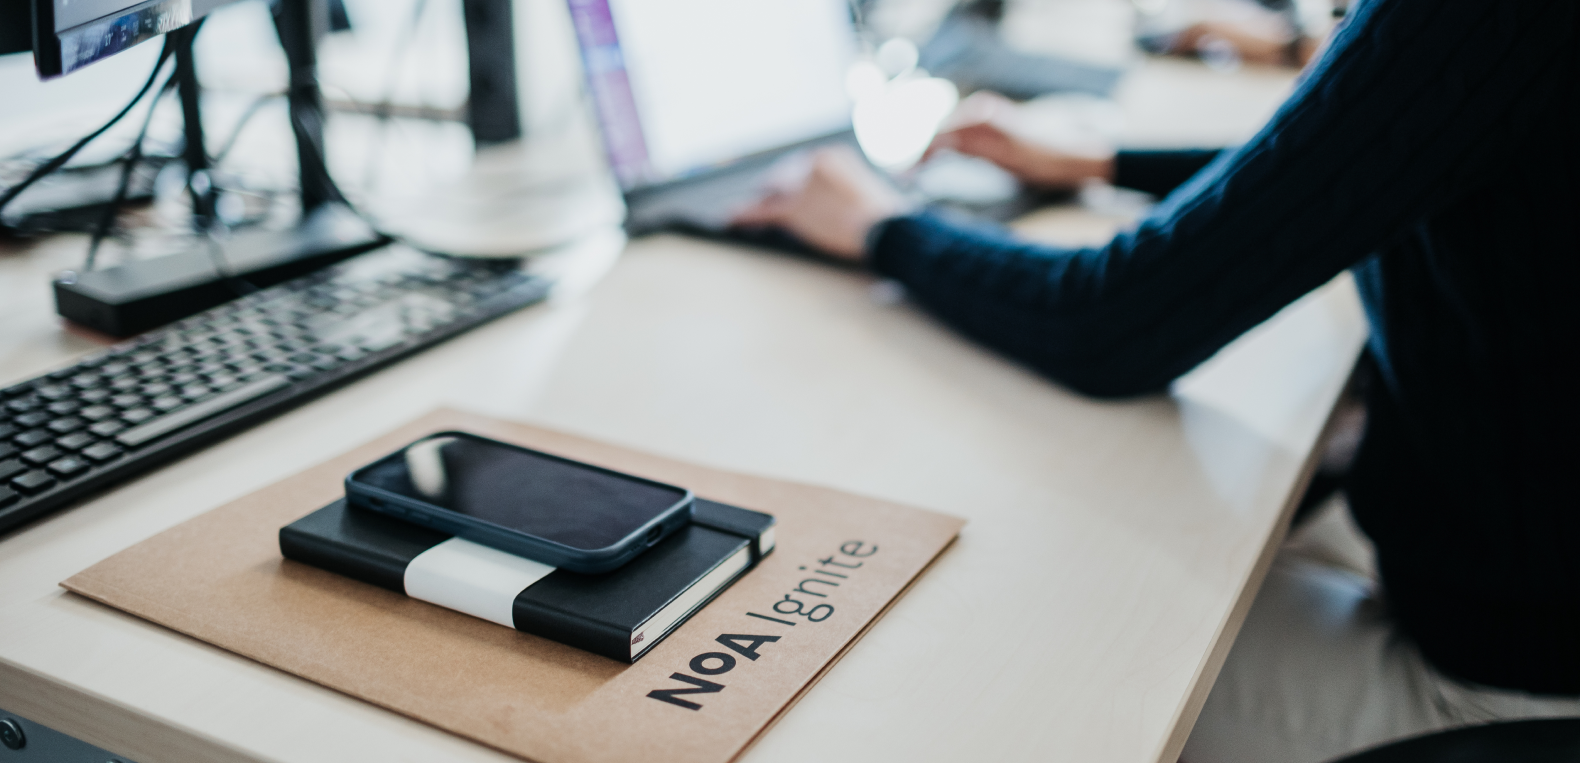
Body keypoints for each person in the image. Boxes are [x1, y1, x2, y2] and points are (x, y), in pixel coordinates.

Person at [732, 0, 1580, 760]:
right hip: (1493, 578)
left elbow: (1108, 327)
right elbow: (1369, 152)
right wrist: (1102, 161)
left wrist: (884, 226)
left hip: (1499, 681)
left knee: (985, 653)